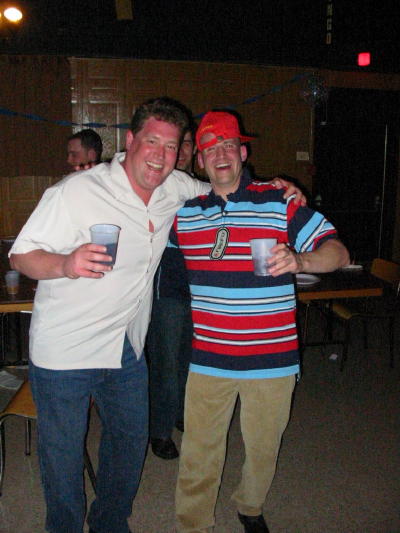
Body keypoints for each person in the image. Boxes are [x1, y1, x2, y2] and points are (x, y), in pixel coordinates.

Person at [9, 97, 211, 533]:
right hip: (65, 350)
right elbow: (22, 255)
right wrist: (65, 264)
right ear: (131, 140)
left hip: (125, 346)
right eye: (152, 141)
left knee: (130, 442)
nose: (160, 155)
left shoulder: (175, 186)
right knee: (63, 456)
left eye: (171, 146)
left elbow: (220, 189)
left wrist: (272, 189)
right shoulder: (76, 191)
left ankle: (110, 522)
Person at [173, 111, 350, 533]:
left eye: (229, 145)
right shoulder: (183, 214)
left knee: (263, 448)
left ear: (243, 153)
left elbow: (338, 253)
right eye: (211, 148)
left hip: (272, 358)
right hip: (209, 357)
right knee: (198, 452)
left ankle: (250, 506)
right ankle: (193, 523)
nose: (221, 154)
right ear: (200, 160)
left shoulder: (279, 202)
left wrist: (300, 260)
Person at [147, 119, 307, 461]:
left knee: (187, 361)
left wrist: (278, 188)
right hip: (170, 288)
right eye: (209, 148)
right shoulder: (158, 183)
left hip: (208, 292)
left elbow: (227, 189)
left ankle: (186, 416)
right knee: (167, 362)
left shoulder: (193, 187)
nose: (174, 153)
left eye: (228, 146)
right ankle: (161, 429)